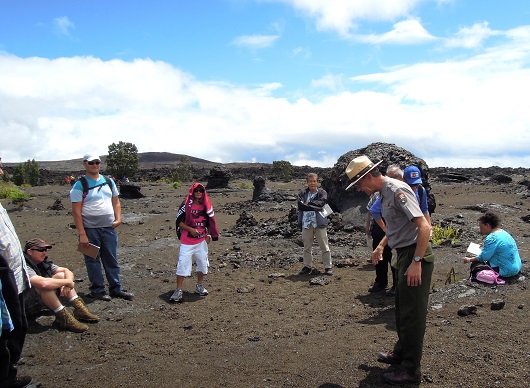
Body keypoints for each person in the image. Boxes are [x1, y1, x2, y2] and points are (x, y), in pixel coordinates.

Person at [345, 155, 434, 385]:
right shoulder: (383, 194)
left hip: (415, 254)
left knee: (413, 315)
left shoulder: (396, 190)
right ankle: (401, 353)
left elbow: (424, 227)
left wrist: (416, 261)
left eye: (358, 183)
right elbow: (397, 226)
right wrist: (382, 246)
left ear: (367, 176)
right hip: (402, 253)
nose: (358, 189)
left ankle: (411, 369)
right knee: (402, 309)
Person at [70, 153, 133, 301]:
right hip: (89, 230)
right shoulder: (79, 185)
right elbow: (76, 212)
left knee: (111, 258)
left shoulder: (109, 181)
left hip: (108, 228)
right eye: (91, 163)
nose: (95, 165)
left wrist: (118, 219)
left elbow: (116, 201)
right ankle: (97, 290)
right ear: (84, 164)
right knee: (92, 260)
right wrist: (82, 234)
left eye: (97, 162)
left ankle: (116, 288)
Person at [0, 160, 33, 388]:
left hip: (13, 274)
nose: (1, 170)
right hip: (2, 279)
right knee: (6, 331)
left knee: (18, 325)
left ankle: (8, 376)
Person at [23, 238, 100, 333]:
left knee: (61, 276)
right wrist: (67, 282)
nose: (45, 253)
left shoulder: (42, 261)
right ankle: (64, 318)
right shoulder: (24, 266)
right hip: (25, 306)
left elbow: (66, 271)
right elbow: (43, 283)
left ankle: (79, 309)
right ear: (30, 252)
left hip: (39, 300)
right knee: (46, 287)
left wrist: (68, 283)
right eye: (41, 250)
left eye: (46, 250)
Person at [170, 183, 219, 303]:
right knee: (183, 263)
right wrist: (191, 230)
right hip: (187, 241)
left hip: (201, 241)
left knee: (202, 263)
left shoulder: (206, 205)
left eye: (201, 191)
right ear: (192, 191)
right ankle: (178, 290)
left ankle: (199, 285)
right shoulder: (186, 204)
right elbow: (179, 222)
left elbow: (209, 222)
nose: (198, 192)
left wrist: (208, 234)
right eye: (196, 190)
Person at [463, 211, 522, 278]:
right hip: (517, 266)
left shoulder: (491, 238)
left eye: (481, 227)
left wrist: (468, 259)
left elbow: (483, 257)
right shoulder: (503, 232)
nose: (480, 229)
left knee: (476, 265)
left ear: (487, 225)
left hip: (507, 271)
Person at [297, 173, 333, 276]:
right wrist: (313, 205)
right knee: (307, 247)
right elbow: (300, 205)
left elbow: (321, 203)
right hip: (306, 223)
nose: (312, 183)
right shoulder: (302, 193)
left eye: (314, 181)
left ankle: (328, 267)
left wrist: (307, 204)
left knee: (324, 246)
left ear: (317, 182)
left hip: (319, 223)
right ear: (307, 182)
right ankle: (307, 266)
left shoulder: (322, 192)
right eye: (310, 181)